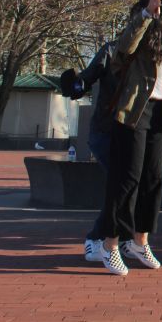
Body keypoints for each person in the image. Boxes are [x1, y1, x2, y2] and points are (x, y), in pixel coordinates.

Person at [98, 0, 162, 275]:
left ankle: (140, 241)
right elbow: (123, 51)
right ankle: (109, 245)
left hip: (161, 112)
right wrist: (146, 15)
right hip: (134, 110)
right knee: (127, 179)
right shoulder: (140, 22)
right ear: (157, 0)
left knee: (153, 179)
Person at [61, 40, 118, 262]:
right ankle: (96, 238)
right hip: (107, 130)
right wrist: (75, 85)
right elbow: (86, 79)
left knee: (129, 188)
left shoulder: (157, 49)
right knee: (120, 187)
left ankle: (116, 238)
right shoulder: (112, 50)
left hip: (134, 132)